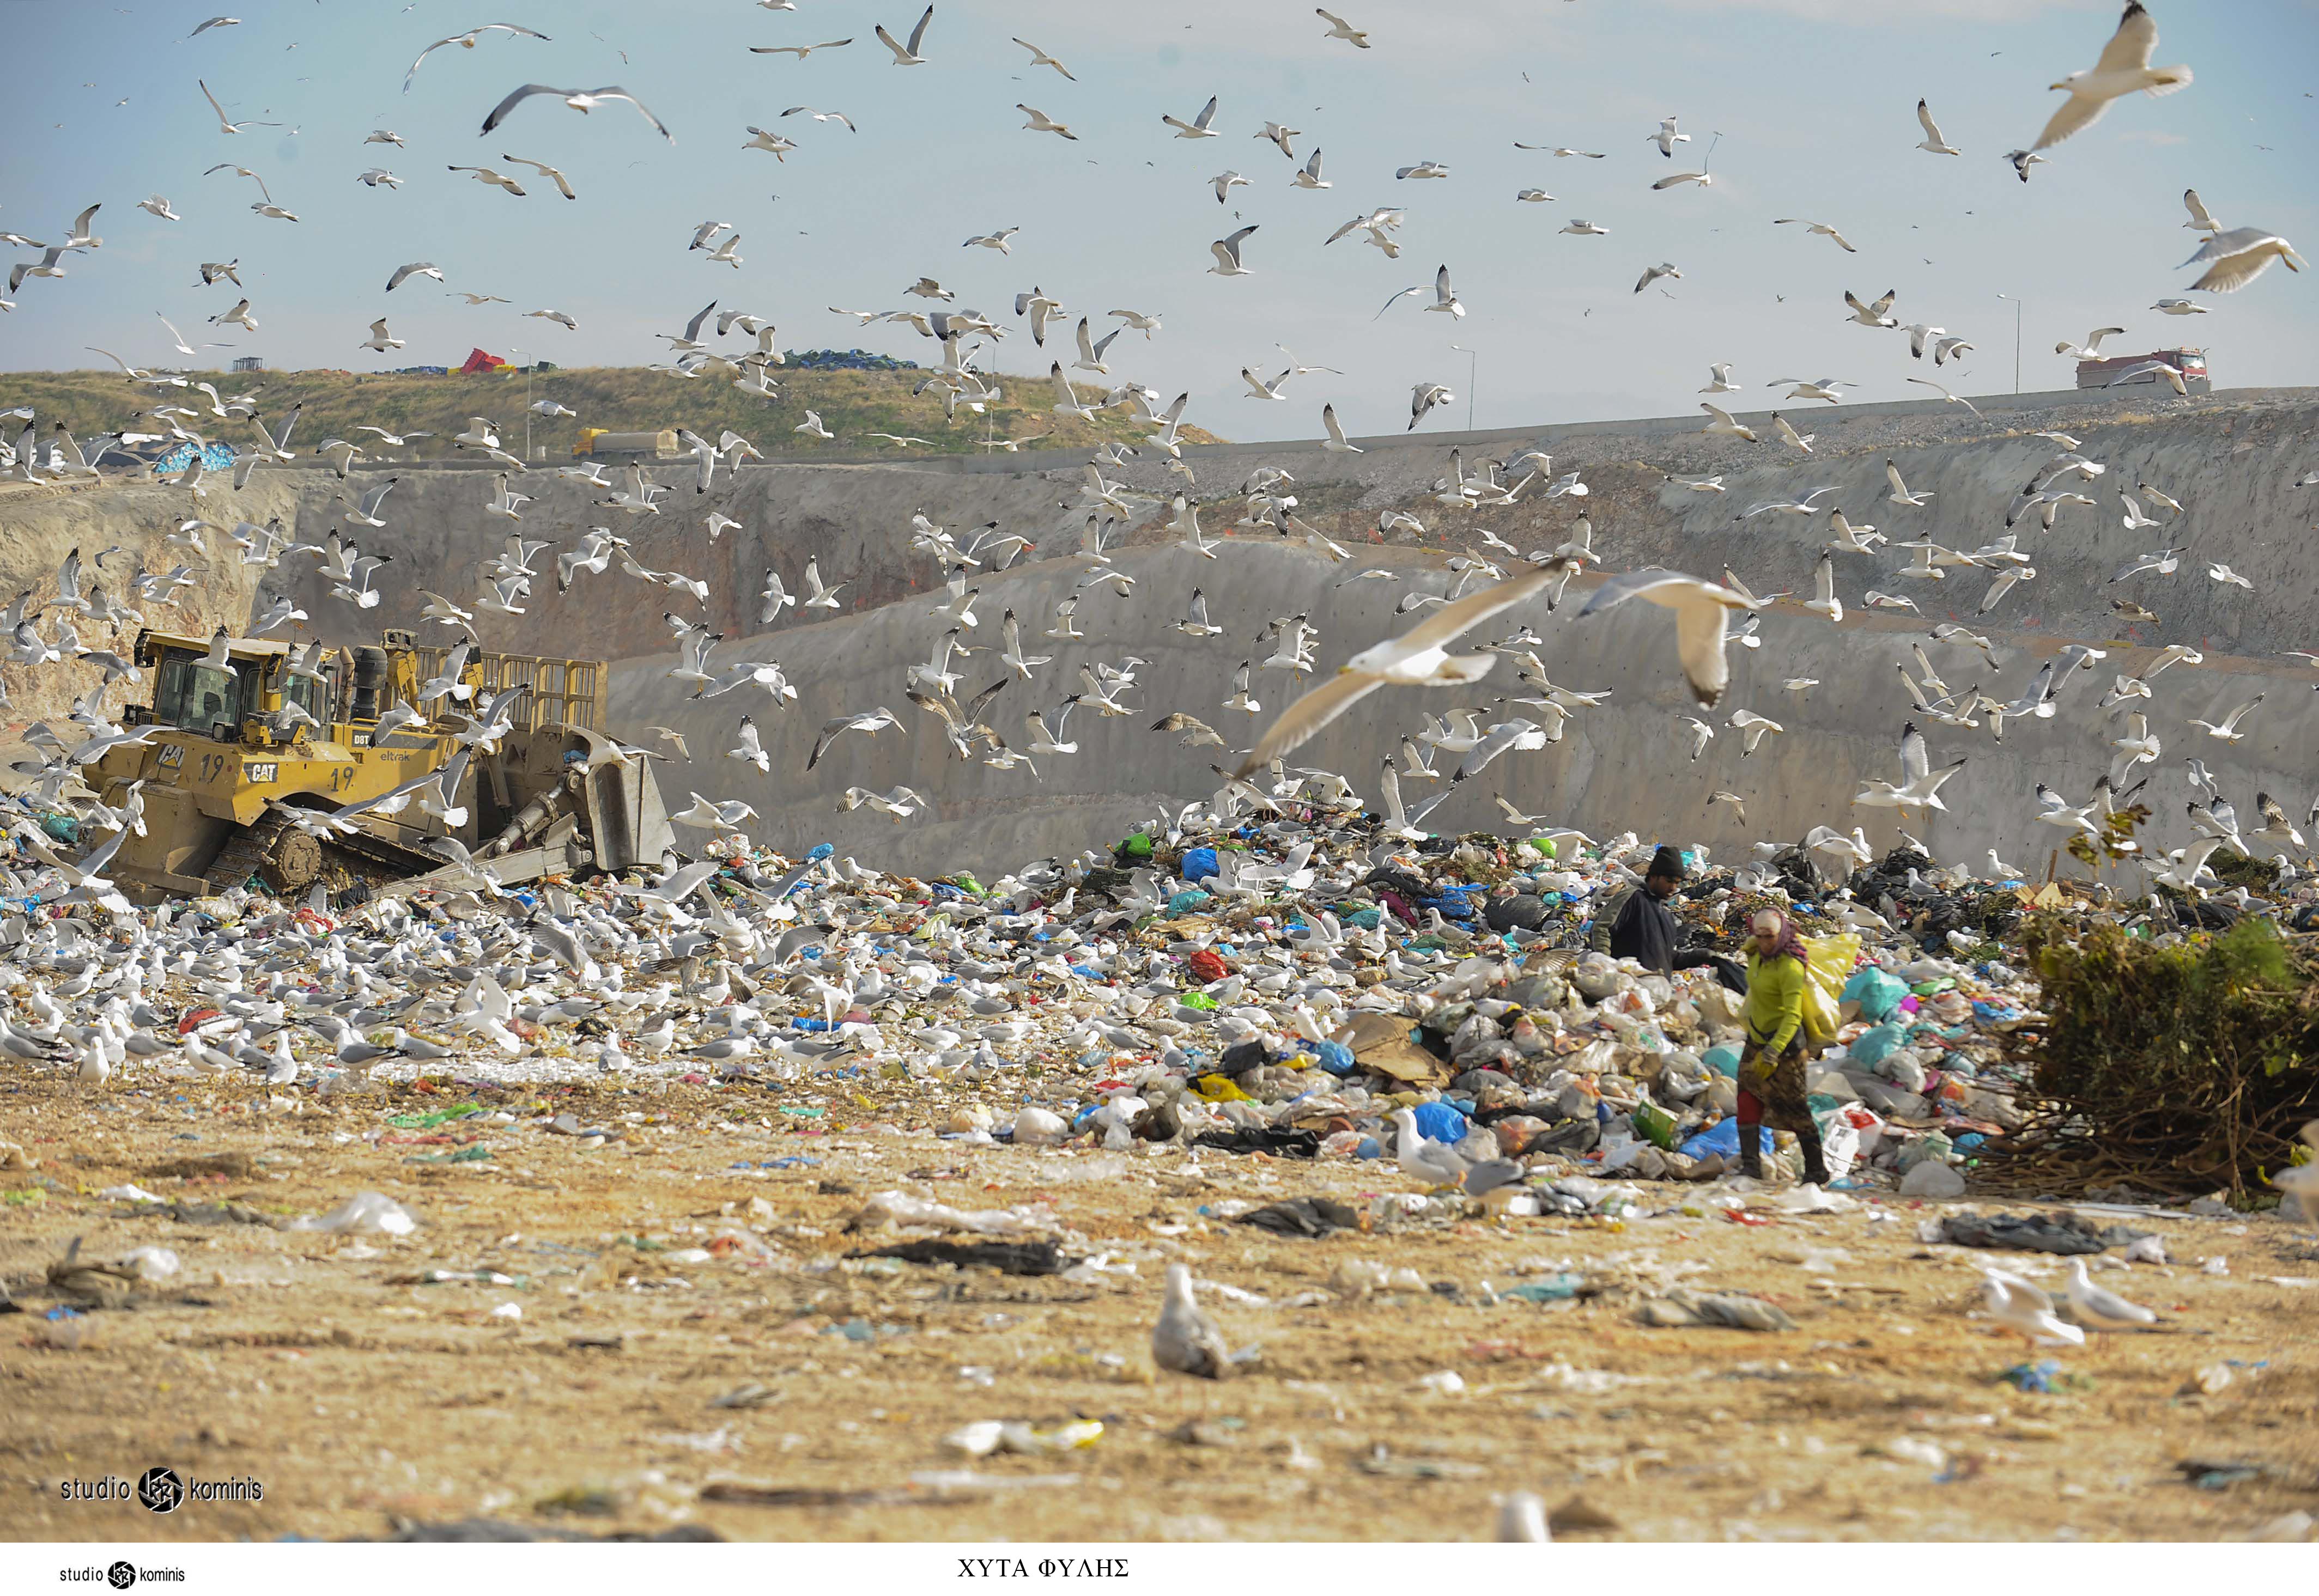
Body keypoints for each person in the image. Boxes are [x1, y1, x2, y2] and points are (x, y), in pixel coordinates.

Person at [1735, 908, 1830, 1185]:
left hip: (1786, 1046)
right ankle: (1750, 1167)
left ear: (1783, 934)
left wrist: (1774, 1050)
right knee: (1746, 1098)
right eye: (1759, 935)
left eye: (1770, 936)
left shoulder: (1790, 966)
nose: (1765, 942)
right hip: (1757, 1039)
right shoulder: (1757, 955)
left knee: (1795, 1107)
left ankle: (1817, 1170)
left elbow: (1793, 1015)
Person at [1589, 845, 1746, 989]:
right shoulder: (1633, 898)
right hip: (1626, 987)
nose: (1673, 888)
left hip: (1655, 995)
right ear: (1654, 877)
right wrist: (1609, 968)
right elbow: (1602, 929)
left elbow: (1668, 958)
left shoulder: (1666, 917)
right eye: (1669, 881)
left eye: (1677, 883)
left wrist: (1700, 956)